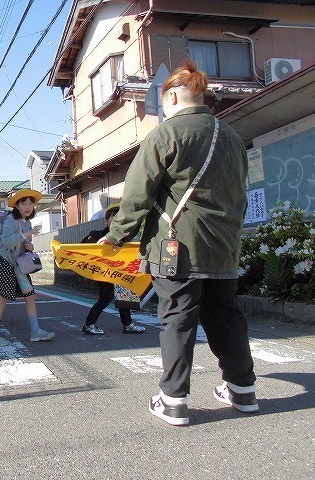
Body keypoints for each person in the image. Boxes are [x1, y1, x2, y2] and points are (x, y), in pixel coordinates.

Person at [99, 60, 257, 426]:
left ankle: (173, 400)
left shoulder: (166, 134)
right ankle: (243, 390)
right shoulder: (232, 137)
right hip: (224, 248)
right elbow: (241, 195)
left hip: (177, 248)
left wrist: (117, 235)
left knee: (178, 320)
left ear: (171, 96)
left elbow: (137, 195)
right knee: (226, 317)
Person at [0, 189, 54, 346]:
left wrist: (30, 246)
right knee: (3, 297)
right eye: (24, 203)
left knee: (29, 295)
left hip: (18, 265)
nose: (28, 207)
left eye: (30, 203)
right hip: (4, 261)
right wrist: (25, 235)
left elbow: (23, 243)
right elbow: (7, 241)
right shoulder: (10, 219)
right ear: (16, 205)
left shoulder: (27, 223)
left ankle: (35, 331)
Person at [81, 203, 145, 335]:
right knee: (105, 298)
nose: (118, 221)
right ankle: (88, 324)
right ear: (106, 221)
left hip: (122, 271)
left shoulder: (128, 237)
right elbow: (83, 250)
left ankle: (128, 324)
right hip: (104, 273)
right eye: (114, 218)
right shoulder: (96, 237)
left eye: (120, 219)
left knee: (124, 297)